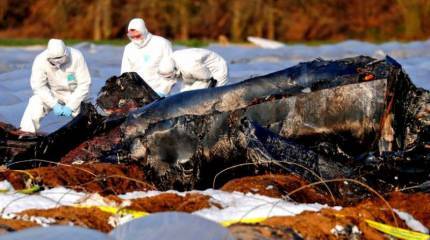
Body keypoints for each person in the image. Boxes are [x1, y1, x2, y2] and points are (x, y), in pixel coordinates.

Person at [20, 39, 91, 133]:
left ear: (66, 54)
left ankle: (87, 135)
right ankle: (26, 133)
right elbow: (38, 86)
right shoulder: (40, 60)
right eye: (53, 63)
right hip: (53, 93)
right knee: (35, 102)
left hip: (74, 94)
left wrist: (71, 106)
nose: (57, 65)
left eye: (60, 61)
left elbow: (84, 84)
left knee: (86, 118)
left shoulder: (77, 56)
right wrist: (54, 104)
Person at [121, 18, 175, 96]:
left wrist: (162, 92)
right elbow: (125, 74)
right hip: (139, 96)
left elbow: (171, 73)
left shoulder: (162, 44)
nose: (135, 39)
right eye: (132, 37)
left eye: (138, 36)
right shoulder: (128, 49)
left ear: (143, 31)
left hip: (161, 95)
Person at [158, 48, 229, 93]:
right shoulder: (169, 60)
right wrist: (162, 93)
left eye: (169, 77)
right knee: (184, 95)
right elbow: (167, 81)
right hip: (196, 72)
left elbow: (209, 79)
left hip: (216, 70)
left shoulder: (191, 66)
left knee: (217, 96)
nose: (168, 79)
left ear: (176, 71)